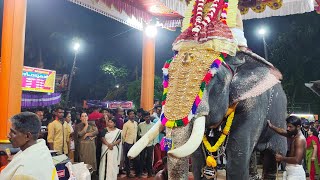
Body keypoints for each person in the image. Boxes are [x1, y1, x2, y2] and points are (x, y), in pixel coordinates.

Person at [0, 112, 58, 179]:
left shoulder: (24, 169)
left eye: (13, 132)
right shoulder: (41, 151)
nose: (8, 135)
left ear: (27, 136)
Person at [122, 109, 140, 178]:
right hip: (127, 143)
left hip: (134, 143)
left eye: (133, 114)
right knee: (127, 160)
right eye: (130, 114)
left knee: (136, 158)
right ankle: (128, 173)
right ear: (128, 115)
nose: (132, 115)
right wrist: (125, 143)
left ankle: (137, 172)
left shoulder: (136, 123)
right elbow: (123, 135)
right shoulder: (126, 124)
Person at [138, 111, 155, 177]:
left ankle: (149, 173)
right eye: (146, 117)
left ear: (150, 117)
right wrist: (141, 135)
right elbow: (138, 133)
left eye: (148, 117)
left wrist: (154, 143)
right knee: (141, 158)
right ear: (144, 118)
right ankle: (140, 173)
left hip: (150, 144)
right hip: (142, 144)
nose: (147, 118)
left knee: (149, 159)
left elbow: (155, 134)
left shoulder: (153, 125)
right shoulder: (140, 125)